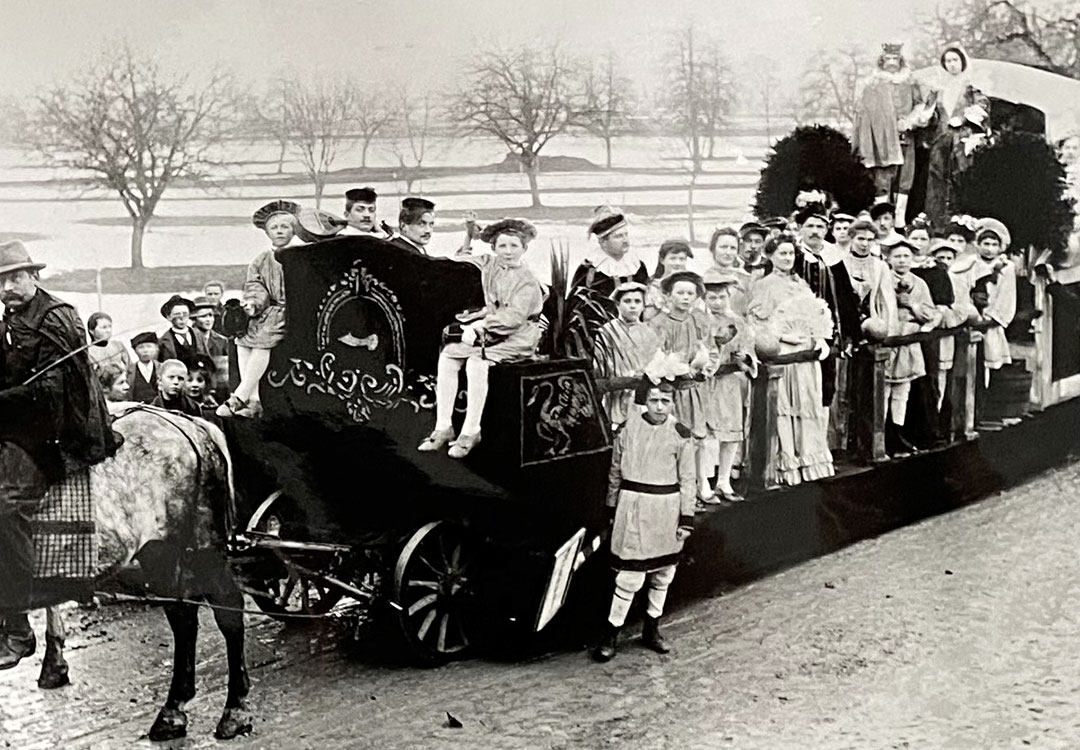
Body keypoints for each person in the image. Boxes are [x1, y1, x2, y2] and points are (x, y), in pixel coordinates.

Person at [0, 240, 118, 669]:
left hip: (57, 432)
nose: (8, 287)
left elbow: (52, 393)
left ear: (34, 276)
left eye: (15, 277)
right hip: (17, 423)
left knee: (7, 509)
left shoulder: (58, 318)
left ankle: (16, 625)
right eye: (1, 281)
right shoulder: (11, 317)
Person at [418, 219, 545, 459]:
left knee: (477, 361)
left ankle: (471, 431)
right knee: (449, 355)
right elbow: (459, 259)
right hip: (494, 331)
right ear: (494, 248)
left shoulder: (527, 279)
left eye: (514, 246)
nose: (508, 252)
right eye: (502, 246)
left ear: (524, 249)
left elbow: (514, 317)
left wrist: (478, 327)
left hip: (520, 335)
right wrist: (469, 237)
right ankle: (443, 426)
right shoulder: (490, 264)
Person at [592, 377, 694, 662]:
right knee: (630, 577)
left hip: (667, 509)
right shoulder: (629, 428)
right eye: (654, 400)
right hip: (634, 506)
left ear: (673, 403)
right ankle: (611, 633)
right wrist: (612, 507)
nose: (659, 407)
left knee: (663, 574)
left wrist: (686, 518)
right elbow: (615, 470)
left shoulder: (680, 434)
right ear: (643, 401)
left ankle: (652, 629)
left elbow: (688, 479)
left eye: (666, 401)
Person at [748, 235, 835, 486]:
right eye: (782, 254)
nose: (787, 258)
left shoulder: (802, 284)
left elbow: (816, 314)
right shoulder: (764, 285)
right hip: (785, 351)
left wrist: (820, 338)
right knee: (786, 404)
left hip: (807, 355)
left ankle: (810, 459)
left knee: (808, 401)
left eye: (791, 254)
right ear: (770, 256)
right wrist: (785, 335)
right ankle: (787, 461)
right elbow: (757, 324)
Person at [217, 200, 296, 418]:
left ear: (294, 229)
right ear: (267, 232)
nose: (279, 231)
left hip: (292, 311)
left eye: (285, 227)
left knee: (262, 339)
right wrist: (252, 304)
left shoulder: (301, 256)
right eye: (275, 227)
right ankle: (254, 399)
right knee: (243, 338)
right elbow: (255, 285)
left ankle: (240, 395)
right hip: (267, 312)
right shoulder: (261, 259)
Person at [853, 43, 927, 225]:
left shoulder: (910, 81)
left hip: (906, 135)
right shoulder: (872, 83)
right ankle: (882, 220)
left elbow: (919, 104)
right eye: (888, 59)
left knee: (905, 178)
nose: (892, 62)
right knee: (883, 178)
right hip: (883, 138)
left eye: (895, 58)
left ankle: (900, 221)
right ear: (882, 60)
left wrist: (910, 121)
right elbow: (863, 110)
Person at [794, 203, 860, 406]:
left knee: (827, 386)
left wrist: (851, 332)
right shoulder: (793, 255)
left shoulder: (834, 257)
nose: (815, 231)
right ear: (801, 229)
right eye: (810, 226)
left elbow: (846, 298)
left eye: (820, 227)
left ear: (827, 230)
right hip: (798, 330)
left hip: (830, 332)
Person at [882, 238, 942, 456]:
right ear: (889, 259)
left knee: (903, 389)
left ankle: (898, 433)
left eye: (906, 256)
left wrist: (912, 305)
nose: (902, 261)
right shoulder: (882, 279)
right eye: (897, 256)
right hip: (890, 336)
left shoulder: (919, 283)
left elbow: (932, 314)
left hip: (909, 339)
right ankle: (884, 434)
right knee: (884, 388)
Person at [699, 269, 754, 504]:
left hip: (730, 383)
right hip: (706, 383)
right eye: (712, 297)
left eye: (722, 297)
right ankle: (703, 483)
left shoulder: (737, 321)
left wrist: (745, 358)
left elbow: (749, 349)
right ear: (704, 299)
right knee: (704, 435)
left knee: (730, 433)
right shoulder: (700, 322)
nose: (718, 302)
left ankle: (724, 480)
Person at [924, 43, 991, 227]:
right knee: (936, 176)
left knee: (961, 175)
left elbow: (982, 107)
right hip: (940, 137)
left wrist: (963, 118)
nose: (952, 64)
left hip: (963, 138)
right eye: (948, 61)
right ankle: (936, 222)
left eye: (955, 60)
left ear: (962, 61)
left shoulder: (972, 86)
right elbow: (928, 111)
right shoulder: (938, 88)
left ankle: (962, 219)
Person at [595, 282, 661, 430]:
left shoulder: (649, 333)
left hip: (642, 393)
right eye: (627, 301)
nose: (633, 306)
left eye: (637, 302)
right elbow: (600, 364)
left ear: (644, 306)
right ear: (618, 305)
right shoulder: (607, 331)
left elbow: (656, 362)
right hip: (616, 393)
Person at [569, 206, 649, 301]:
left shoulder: (637, 266)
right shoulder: (590, 270)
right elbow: (576, 304)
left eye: (626, 235)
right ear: (603, 241)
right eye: (618, 236)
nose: (625, 240)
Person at [843, 218, 898, 341]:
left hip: (872, 326)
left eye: (870, 240)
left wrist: (891, 332)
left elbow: (888, 300)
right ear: (851, 239)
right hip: (847, 325)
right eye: (861, 239)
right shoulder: (842, 264)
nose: (865, 244)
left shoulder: (880, 266)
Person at [707, 226, 753, 314]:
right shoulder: (705, 279)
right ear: (713, 249)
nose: (728, 253)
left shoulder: (746, 280)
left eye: (733, 248)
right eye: (723, 247)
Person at [644, 239, 693, 321]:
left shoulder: (692, 284)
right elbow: (647, 317)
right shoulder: (654, 287)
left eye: (682, 259)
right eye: (673, 258)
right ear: (662, 260)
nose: (677, 263)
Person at [157, 295, 208, 368]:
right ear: (169, 317)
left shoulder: (199, 335)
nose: (182, 318)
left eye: (185, 314)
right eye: (177, 314)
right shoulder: (163, 341)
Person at [126, 332, 161, 404]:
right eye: (140, 347)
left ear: (156, 348)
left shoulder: (162, 368)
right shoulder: (128, 371)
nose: (145, 350)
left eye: (149, 346)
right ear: (135, 350)